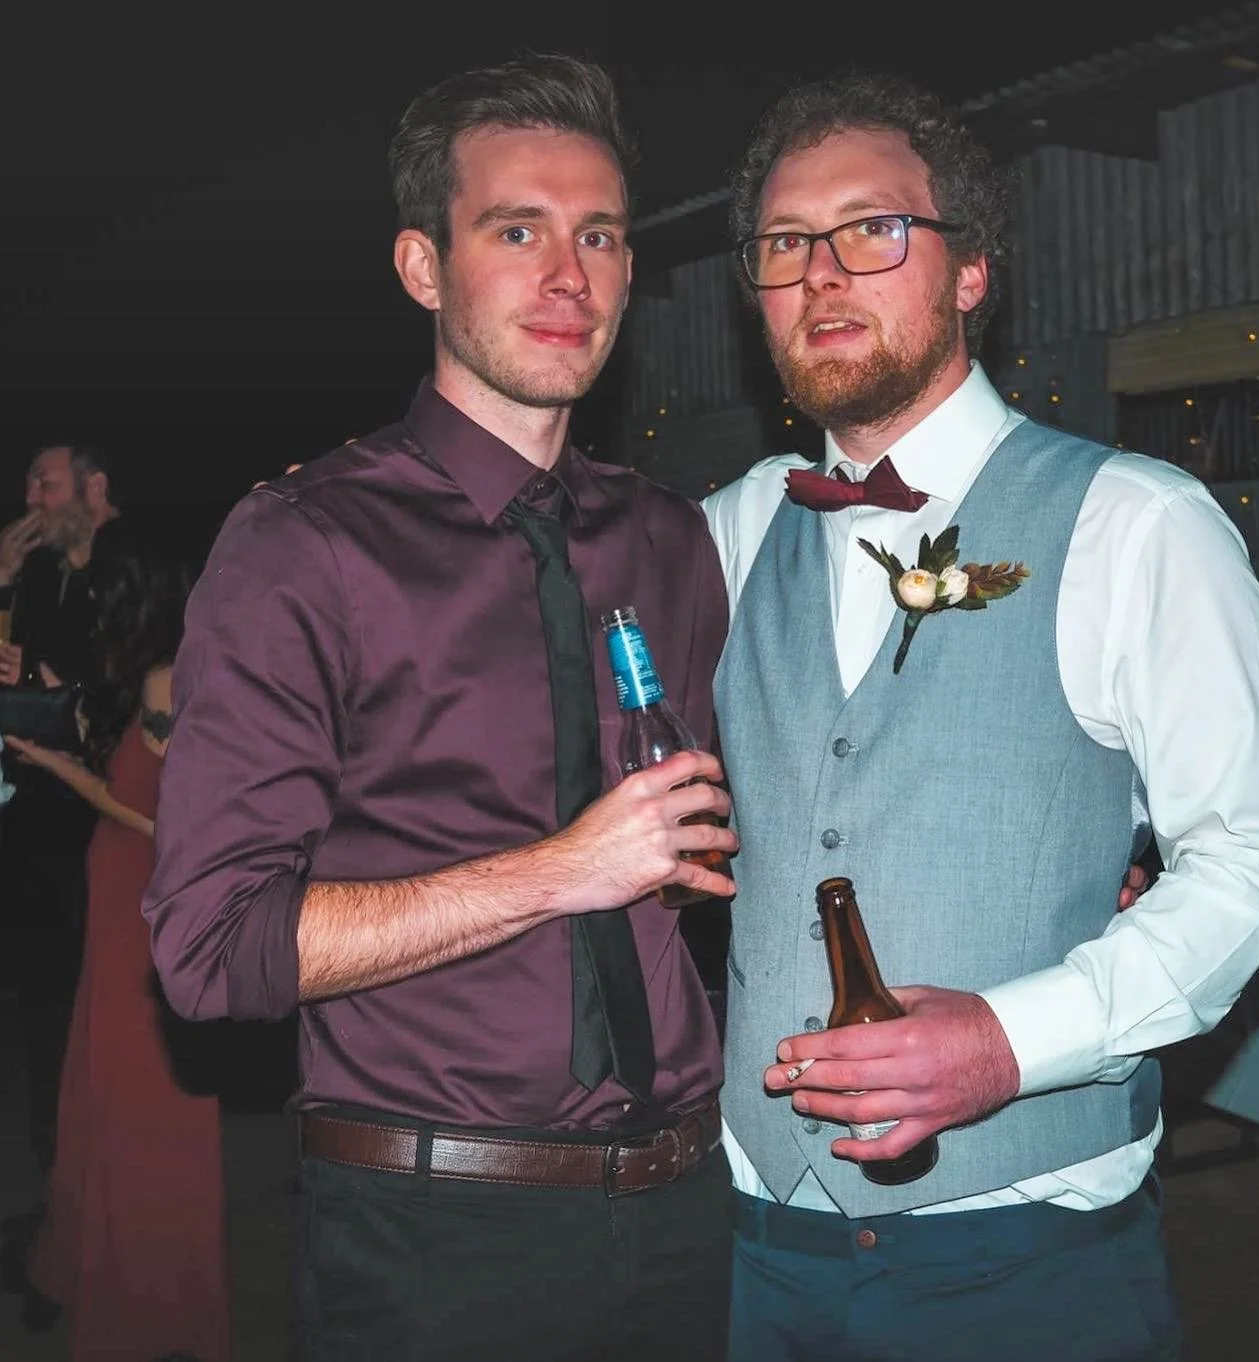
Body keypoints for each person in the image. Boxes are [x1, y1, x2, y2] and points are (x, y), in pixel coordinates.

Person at [702, 72, 1259, 1362]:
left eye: (873, 230)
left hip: (1027, 1256)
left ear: (972, 270)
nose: (822, 274)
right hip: (758, 1244)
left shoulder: (1138, 523)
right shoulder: (731, 526)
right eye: (784, 243)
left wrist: (1009, 1041)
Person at [142, 53, 738, 1362]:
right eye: (516, 232)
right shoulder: (305, 543)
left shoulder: (667, 537)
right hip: (436, 1239)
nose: (568, 276)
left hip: (693, 1213)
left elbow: (707, 855)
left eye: (599, 236)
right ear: (423, 266)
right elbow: (210, 948)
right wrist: (558, 871)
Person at [3, 527, 231, 1362]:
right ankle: (79, 1269)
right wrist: (56, 709)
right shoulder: (150, 677)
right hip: (114, 911)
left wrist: (65, 773)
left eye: (105, 592)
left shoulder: (171, 676)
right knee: (99, 1100)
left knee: (143, 1113)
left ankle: (153, 1309)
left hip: (144, 917)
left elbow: (175, 822)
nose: (95, 603)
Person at [0, 443, 124, 1251]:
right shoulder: (45, 579)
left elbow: (145, 699)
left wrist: (61, 690)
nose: (31, 498)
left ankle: (106, 1225)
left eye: (44, 482)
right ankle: (59, 1219)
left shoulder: (140, 572)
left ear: (93, 487)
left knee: (105, 1037)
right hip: (44, 839)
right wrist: (4, 585)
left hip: (115, 836)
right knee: (48, 1034)